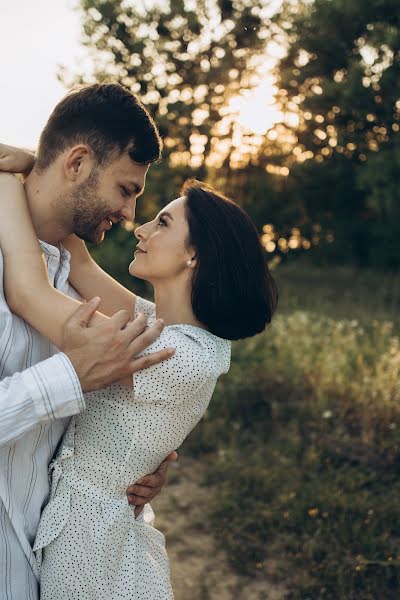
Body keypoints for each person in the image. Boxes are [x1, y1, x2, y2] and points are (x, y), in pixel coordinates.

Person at [0, 168, 277, 596]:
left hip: (89, 553)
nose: (141, 228)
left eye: (163, 222)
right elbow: (82, 262)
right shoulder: (157, 325)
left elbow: (27, 291)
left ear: (195, 256)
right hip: (90, 532)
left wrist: (3, 178)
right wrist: (43, 169)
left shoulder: (177, 355)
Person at [0, 84, 180, 600]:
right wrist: (67, 378)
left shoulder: (76, 275)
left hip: (50, 570)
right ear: (78, 162)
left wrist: (133, 466)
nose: (129, 215)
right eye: (126, 190)